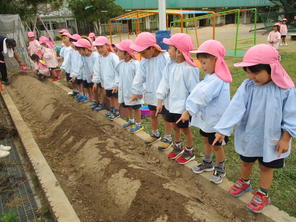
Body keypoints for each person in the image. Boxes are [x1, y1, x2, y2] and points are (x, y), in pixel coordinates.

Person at [213, 44, 296, 213]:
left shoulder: (285, 90)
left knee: (266, 166)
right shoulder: (248, 86)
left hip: (272, 138)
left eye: (255, 72)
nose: (251, 76)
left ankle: (263, 194)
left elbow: (291, 115)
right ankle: (244, 181)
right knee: (247, 160)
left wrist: (285, 138)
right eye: (248, 72)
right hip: (250, 133)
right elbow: (235, 107)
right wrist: (223, 129)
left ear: (271, 68)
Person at [178, 40, 232, 183]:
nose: (202, 66)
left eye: (204, 62)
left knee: (216, 145)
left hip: (216, 121)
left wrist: (188, 111)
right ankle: (207, 162)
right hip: (208, 119)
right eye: (200, 63)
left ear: (216, 60)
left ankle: (220, 167)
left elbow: (202, 95)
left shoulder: (218, 79)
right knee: (206, 140)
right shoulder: (211, 76)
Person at [156, 33, 199, 164]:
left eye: (170, 48)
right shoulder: (170, 65)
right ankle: (178, 145)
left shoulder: (189, 69)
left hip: (183, 108)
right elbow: (164, 82)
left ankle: (189, 150)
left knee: (185, 129)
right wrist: (160, 99)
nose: (168, 51)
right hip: (170, 104)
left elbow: (194, 90)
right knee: (174, 125)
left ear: (179, 52)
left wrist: (189, 109)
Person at [130, 32, 173, 148]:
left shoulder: (165, 58)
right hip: (150, 93)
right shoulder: (144, 62)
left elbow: (170, 76)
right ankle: (155, 133)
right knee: (153, 114)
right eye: (140, 53)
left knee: (165, 116)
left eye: (143, 52)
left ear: (152, 48)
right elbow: (139, 77)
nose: (142, 55)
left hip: (164, 95)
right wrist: (136, 91)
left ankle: (168, 137)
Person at [114, 40, 144, 133]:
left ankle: (138, 124)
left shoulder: (135, 64)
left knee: (136, 108)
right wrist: (116, 85)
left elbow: (140, 79)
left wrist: (138, 92)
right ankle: (131, 120)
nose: (117, 52)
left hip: (134, 92)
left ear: (127, 53)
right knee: (128, 106)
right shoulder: (120, 64)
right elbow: (117, 76)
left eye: (119, 51)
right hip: (125, 90)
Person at [93, 36, 120, 120]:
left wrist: (116, 84)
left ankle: (117, 111)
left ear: (107, 46)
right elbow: (97, 70)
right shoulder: (99, 58)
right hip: (106, 82)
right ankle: (112, 109)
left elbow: (118, 71)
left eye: (101, 47)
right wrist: (96, 81)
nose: (99, 49)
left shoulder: (113, 57)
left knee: (115, 97)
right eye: (97, 47)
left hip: (114, 83)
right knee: (110, 97)